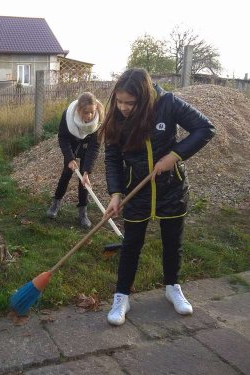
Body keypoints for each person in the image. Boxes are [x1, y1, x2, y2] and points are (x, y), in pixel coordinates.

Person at [99, 68, 215, 326]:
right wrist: (116, 193)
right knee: (131, 245)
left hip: (171, 188)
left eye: (130, 103)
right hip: (136, 192)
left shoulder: (168, 104)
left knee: (173, 242)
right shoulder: (117, 117)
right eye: (119, 101)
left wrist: (174, 155)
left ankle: (172, 286)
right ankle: (121, 296)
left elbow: (205, 128)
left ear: (145, 98)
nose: (123, 107)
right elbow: (112, 158)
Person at [46, 92, 104, 229]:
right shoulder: (68, 115)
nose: (89, 116)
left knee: (84, 181)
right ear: (79, 110)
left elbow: (95, 146)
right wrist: (70, 158)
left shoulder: (99, 119)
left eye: (92, 112)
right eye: (86, 112)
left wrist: (87, 171)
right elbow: (63, 138)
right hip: (71, 145)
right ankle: (55, 204)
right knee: (66, 174)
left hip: (87, 147)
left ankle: (82, 212)